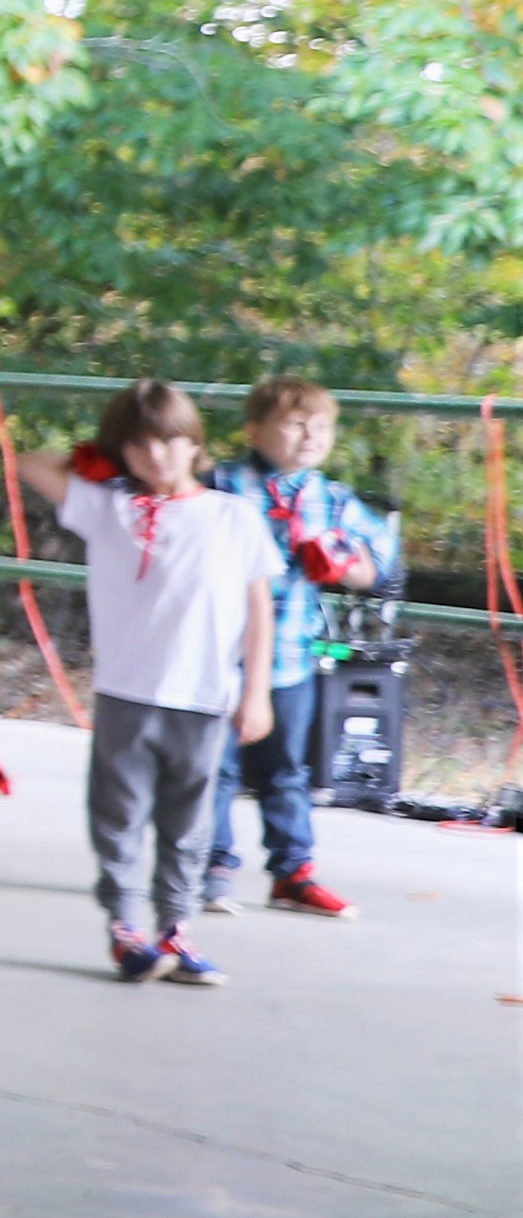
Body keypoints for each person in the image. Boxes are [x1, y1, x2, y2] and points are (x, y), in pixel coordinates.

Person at [42, 381, 272, 986]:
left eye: (169, 441)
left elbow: (258, 609)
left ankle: (177, 926)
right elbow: (31, 465)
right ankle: (124, 926)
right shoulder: (109, 509)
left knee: (188, 820)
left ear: (194, 443)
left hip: (203, 693)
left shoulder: (232, 516)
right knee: (117, 815)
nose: (156, 456)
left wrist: (256, 692)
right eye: (139, 445)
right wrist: (93, 461)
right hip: (128, 690)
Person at [207, 377, 398, 920]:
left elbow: (381, 562)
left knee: (287, 769)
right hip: (219, 655)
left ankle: (293, 873)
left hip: (290, 656)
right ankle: (210, 868)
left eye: (321, 426)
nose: (310, 435)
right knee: (215, 768)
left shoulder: (330, 499)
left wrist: (345, 564)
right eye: (294, 424)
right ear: (254, 431)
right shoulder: (220, 484)